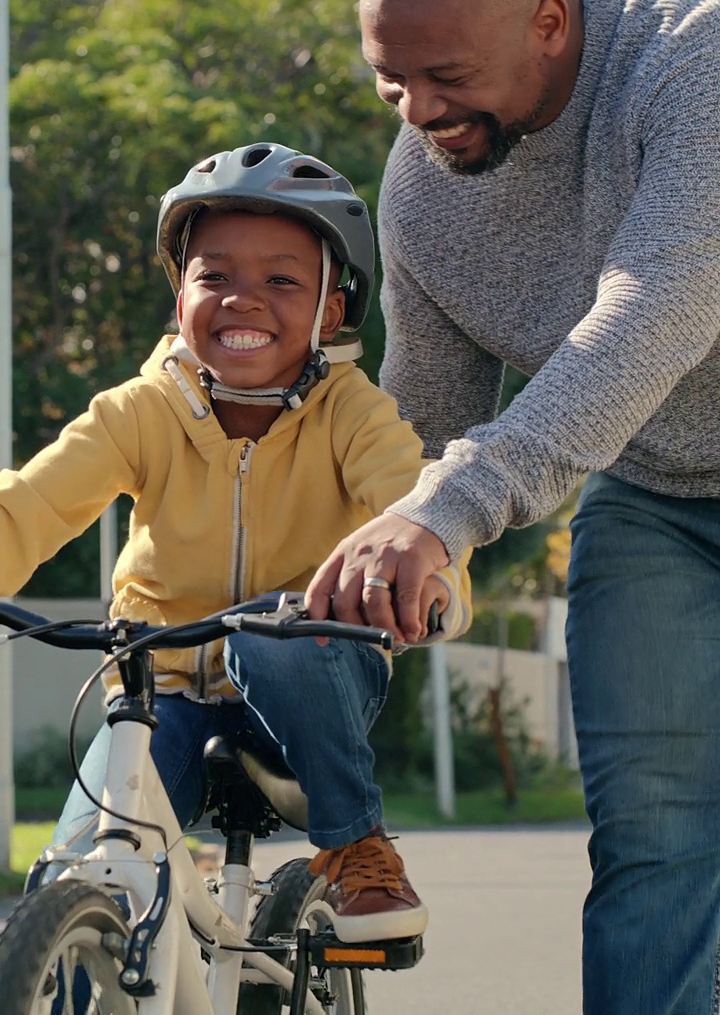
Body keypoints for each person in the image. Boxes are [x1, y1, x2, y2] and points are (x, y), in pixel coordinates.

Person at [304, 0, 720, 1013]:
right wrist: (348, 582)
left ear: (550, 21)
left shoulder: (694, 62)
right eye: (391, 78)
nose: (417, 111)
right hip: (655, 497)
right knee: (653, 839)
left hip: (650, 413)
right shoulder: (422, 189)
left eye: (445, 76)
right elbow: (422, 429)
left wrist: (454, 508)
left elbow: (661, 307)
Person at [0, 140, 472, 944]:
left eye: (281, 280)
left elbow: (417, 509)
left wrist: (430, 585)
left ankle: (355, 844)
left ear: (331, 309)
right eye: (213, 275)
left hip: (313, 671)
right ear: (178, 291)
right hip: (166, 693)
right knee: (80, 871)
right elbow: (31, 505)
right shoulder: (140, 411)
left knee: (273, 636)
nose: (242, 300)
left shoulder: (354, 415)